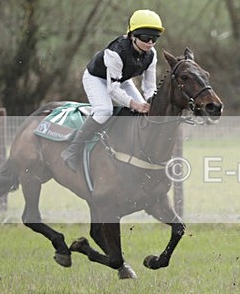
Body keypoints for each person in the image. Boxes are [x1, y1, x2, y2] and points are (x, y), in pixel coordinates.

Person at [61, 9, 164, 172]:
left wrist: (149, 102)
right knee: (104, 110)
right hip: (96, 78)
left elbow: (149, 86)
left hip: (121, 80)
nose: (150, 43)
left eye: (155, 38)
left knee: (144, 110)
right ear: (132, 35)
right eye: (145, 38)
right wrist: (135, 105)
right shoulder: (115, 53)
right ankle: (72, 150)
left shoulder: (151, 54)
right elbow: (112, 89)